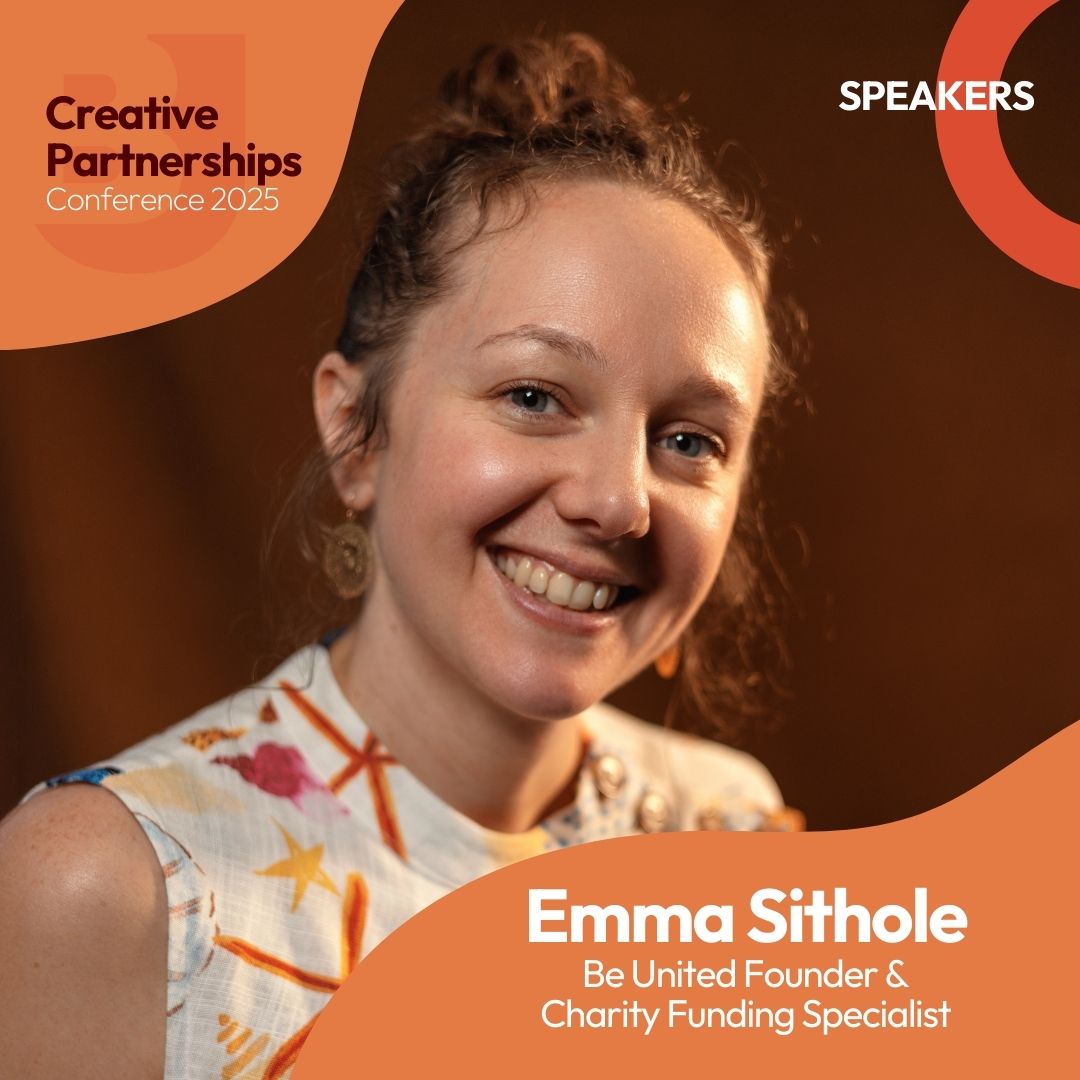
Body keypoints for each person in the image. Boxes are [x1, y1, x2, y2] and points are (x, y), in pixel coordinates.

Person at [0, 33, 800, 1080]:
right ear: (355, 431)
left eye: (690, 440)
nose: (617, 499)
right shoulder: (114, 883)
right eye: (533, 397)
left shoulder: (730, 834)